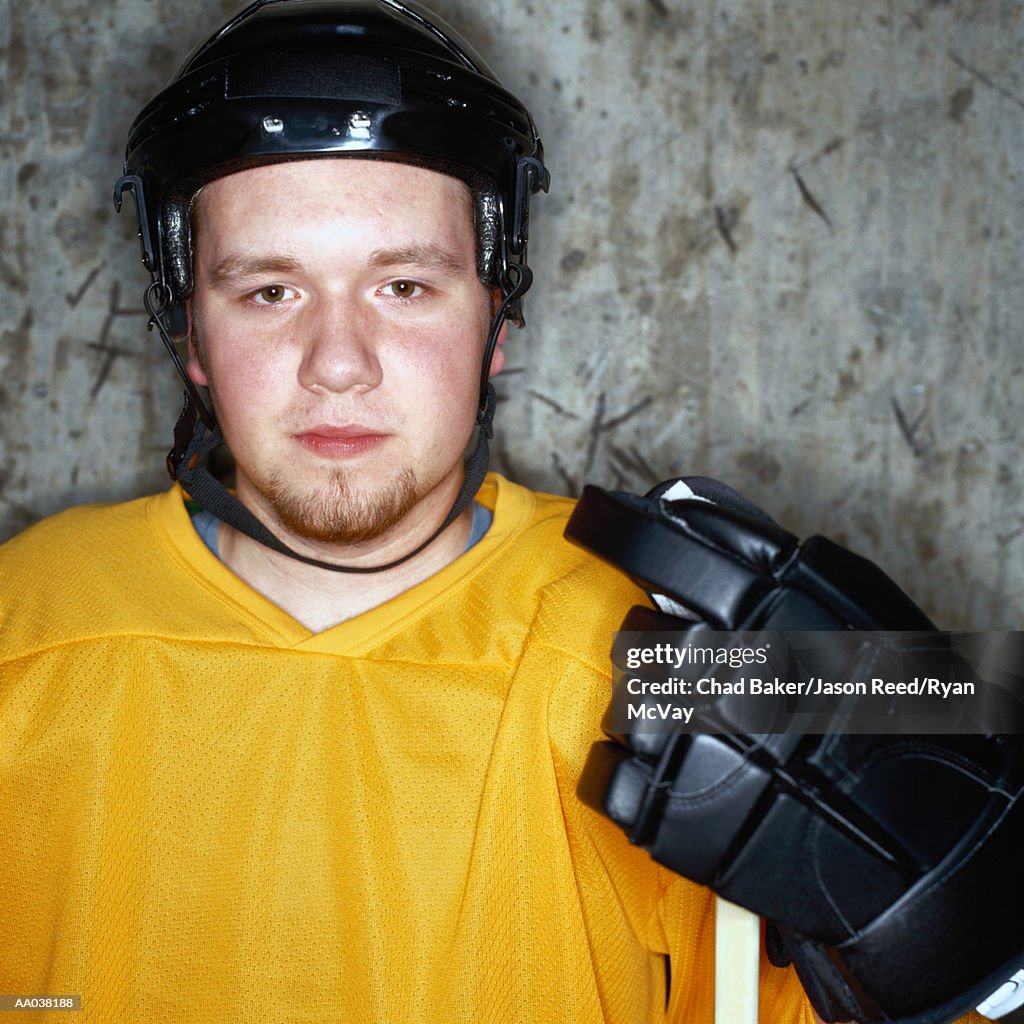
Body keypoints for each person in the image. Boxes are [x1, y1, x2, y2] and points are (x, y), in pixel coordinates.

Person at [11, 2, 998, 1022]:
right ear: (191, 334)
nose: (338, 362)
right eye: (268, 291)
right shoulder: (24, 626)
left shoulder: (676, 658)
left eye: (402, 285)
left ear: (496, 321)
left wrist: (969, 933)